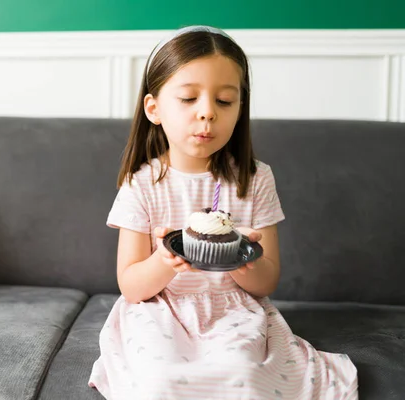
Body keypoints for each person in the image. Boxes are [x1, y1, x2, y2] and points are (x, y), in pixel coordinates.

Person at [88, 25, 358, 399]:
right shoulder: (143, 183)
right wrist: (165, 260)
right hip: (160, 312)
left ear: (239, 108)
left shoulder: (254, 178)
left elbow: (266, 283)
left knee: (243, 376)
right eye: (188, 98)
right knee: (161, 380)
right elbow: (131, 286)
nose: (207, 114)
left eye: (225, 101)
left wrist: (245, 259)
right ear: (154, 108)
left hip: (232, 312)